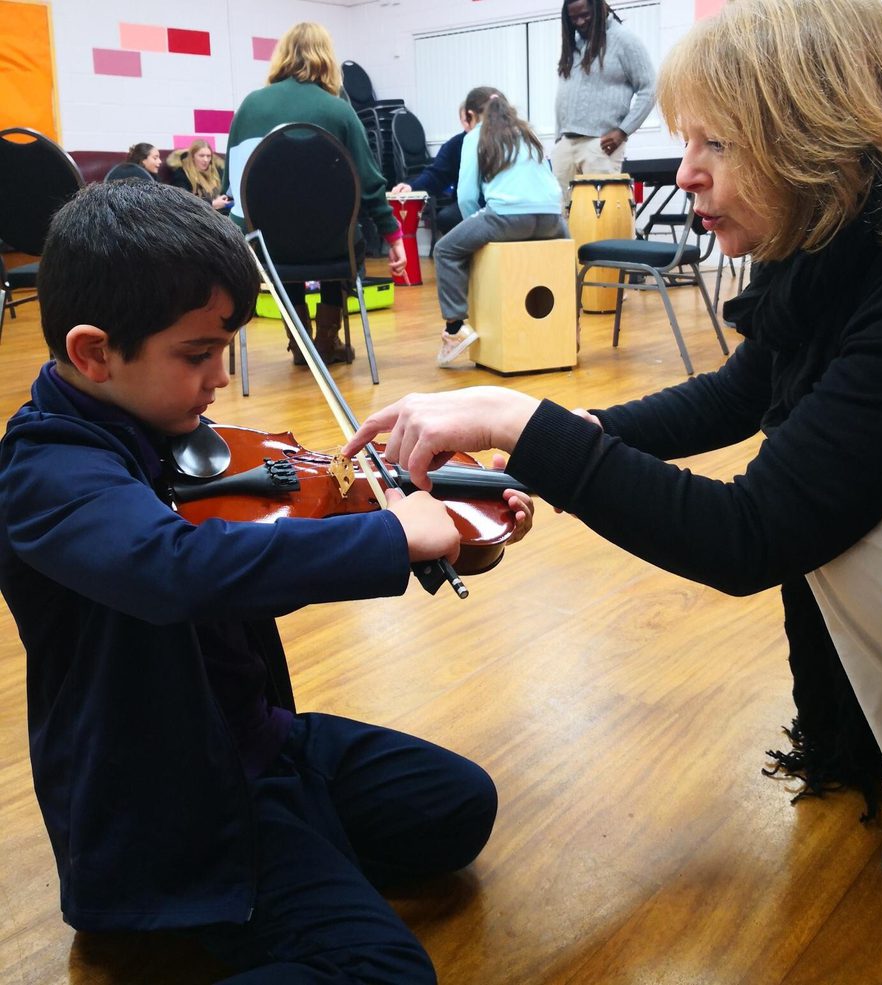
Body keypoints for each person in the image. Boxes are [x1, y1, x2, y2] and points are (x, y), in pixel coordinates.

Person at [344, 0, 882, 921]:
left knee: (860, 524)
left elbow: (754, 533)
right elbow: (736, 395)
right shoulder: (849, 238)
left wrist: (524, 421)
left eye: (719, 145)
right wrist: (544, 434)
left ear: (812, 136)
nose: (688, 173)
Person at [0, 180, 533, 981]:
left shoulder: (161, 424)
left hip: (258, 740)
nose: (221, 378)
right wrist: (388, 538)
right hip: (170, 803)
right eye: (197, 354)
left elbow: (285, 516)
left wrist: (440, 517)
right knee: (385, 971)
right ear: (92, 352)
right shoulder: (45, 472)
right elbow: (178, 569)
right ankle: (245, 892)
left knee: (459, 804)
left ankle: (296, 873)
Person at [224, 22, 406, 367]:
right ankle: (326, 340)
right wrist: (393, 235)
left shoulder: (250, 107)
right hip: (331, 245)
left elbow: (230, 185)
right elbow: (369, 183)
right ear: (326, 58)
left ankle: (300, 342)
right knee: (341, 236)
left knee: (281, 246)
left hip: (264, 242)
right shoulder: (338, 110)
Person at [432, 86, 568, 367]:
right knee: (565, 262)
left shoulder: (475, 136)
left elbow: (467, 196)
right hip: (553, 220)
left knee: (445, 250)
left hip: (507, 217)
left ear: (470, 115)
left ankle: (455, 329)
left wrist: (474, 226)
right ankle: (570, 329)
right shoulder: (528, 134)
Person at [552, 0, 656, 204]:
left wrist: (623, 131)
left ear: (600, 9)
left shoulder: (624, 39)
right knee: (560, 215)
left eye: (585, 15)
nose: (580, 22)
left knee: (600, 216)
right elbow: (564, 94)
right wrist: (558, 139)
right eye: (573, 18)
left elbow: (650, 89)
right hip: (566, 142)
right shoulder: (575, 44)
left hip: (600, 144)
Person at [390, 104, 472, 236]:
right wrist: (412, 186)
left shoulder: (504, 140)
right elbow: (436, 174)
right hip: (467, 205)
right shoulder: (456, 145)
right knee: (446, 219)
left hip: (498, 206)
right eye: (465, 120)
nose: (468, 124)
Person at [168, 138, 231, 211]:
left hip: (220, 213)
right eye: (201, 156)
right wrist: (212, 204)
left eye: (208, 156)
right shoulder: (181, 174)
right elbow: (182, 202)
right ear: (192, 157)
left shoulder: (216, 171)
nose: (206, 160)